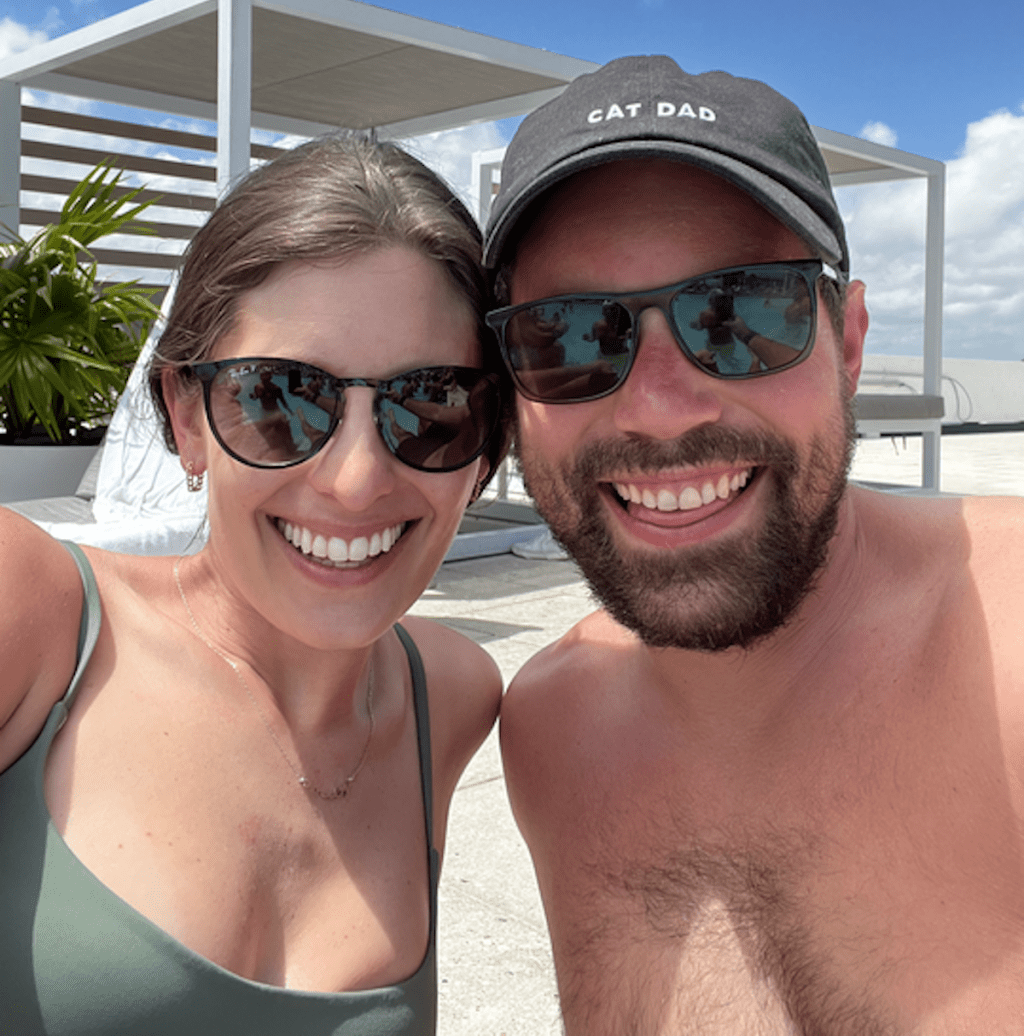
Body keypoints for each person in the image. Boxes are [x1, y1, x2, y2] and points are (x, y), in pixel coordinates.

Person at [485, 56, 1024, 1033]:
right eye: (566, 338)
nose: (655, 409)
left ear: (848, 342)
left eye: (740, 313)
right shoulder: (549, 731)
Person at [0, 135, 511, 1034]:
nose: (356, 479)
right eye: (280, 396)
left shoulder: (456, 696)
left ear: (483, 448)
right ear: (189, 417)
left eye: (429, 405)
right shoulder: (34, 616)